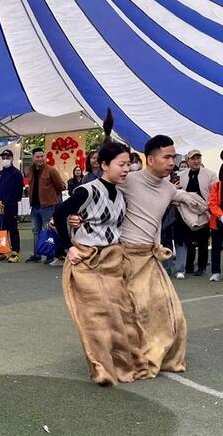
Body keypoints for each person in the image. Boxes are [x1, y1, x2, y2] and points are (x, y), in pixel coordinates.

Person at [71, 134, 205, 377]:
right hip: (124, 257)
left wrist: (202, 205)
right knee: (130, 312)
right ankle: (128, 360)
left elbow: (185, 198)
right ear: (150, 159)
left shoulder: (169, 188)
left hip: (150, 257)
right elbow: (99, 191)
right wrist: (77, 216)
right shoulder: (128, 180)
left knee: (170, 311)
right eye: (167, 157)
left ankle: (160, 356)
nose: (172, 162)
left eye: (173, 157)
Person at [55, 130, 148, 385]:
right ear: (104, 165)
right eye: (121, 164)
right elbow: (60, 213)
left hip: (113, 258)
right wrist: (68, 247)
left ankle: (123, 363)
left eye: (128, 164)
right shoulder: (87, 191)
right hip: (86, 259)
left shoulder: (121, 194)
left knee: (121, 313)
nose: (126, 169)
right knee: (95, 314)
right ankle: (101, 369)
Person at [175, 150, 216, 277]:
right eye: (193, 158)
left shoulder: (210, 174)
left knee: (203, 238)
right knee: (188, 238)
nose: (196, 161)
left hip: (204, 209)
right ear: (188, 161)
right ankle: (189, 266)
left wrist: (208, 206)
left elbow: (214, 192)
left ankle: (202, 267)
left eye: (198, 158)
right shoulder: (181, 175)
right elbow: (177, 190)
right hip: (187, 210)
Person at [25, 148, 65, 264]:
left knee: (48, 230)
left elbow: (60, 186)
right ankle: (37, 254)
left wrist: (51, 197)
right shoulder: (31, 170)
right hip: (35, 205)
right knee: (35, 230)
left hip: (48, 206)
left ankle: (49, 255)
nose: (40, 159)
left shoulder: (51, 170)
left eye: (42, 156)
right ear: (33, 158)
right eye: (37, 157)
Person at [0, 149, 24, 263]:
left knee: (13, 229)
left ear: (12, 158)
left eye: (7, 157)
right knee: (0, 229)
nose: (5, 159)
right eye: (3, 158)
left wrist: (4, 203)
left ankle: (15, 252)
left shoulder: (16, 173)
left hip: (11, 206)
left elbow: (17, 192)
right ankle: (2, 252)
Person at [210, 155, 223, 282]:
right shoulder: (216, 186)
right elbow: (212, 203)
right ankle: (215, 272)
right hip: (217, 223)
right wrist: (221, 215)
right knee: (216, 248)